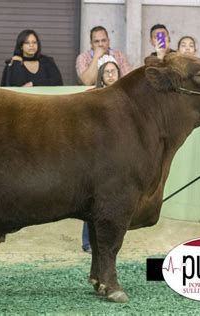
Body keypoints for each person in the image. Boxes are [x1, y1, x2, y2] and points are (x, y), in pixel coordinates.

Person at [81, 55, 122, 254]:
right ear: (101, 75)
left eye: (114, 70)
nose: (111, 75)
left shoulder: (124, 97)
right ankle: (88, 242)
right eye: (107, 71)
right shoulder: (91, 95)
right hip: (94, 154)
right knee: (91, 198)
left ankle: (109, 240)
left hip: (115, 154)